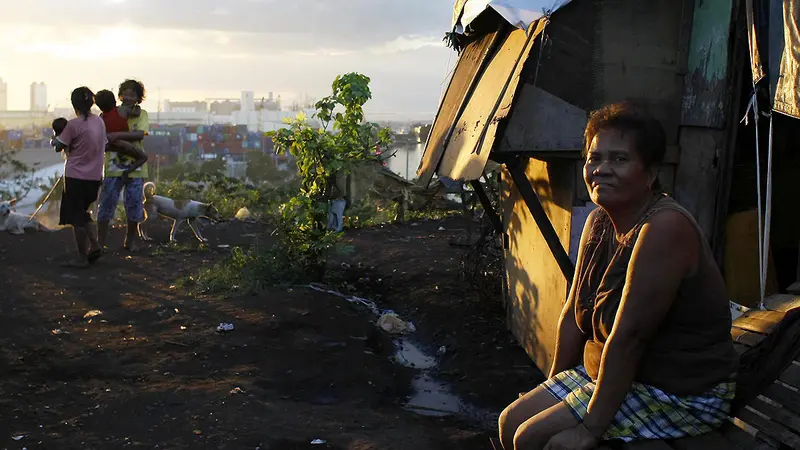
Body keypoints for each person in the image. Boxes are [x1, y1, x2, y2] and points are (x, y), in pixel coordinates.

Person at [498, 102, 738, 450]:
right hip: (616, 373)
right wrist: (554, 384)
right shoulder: (599, 222)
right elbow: (572, 316)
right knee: (511, 423)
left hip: (678, 389)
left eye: (620, 160)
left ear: (651, 172)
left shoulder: (664, 227)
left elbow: (630, 337)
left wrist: (588, 431)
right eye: (595, 158)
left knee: (536, 439)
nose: (601, 169)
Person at [52, 87, 106, 268]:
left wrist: (55, 138)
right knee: (83, 213)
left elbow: (58, 146)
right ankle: (95, 245)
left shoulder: (72, 125)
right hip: (95, 177)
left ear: (74, 104)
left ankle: (82, 258)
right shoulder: (99, 122)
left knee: (77, 219)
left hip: (76, 178)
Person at [96, 79, 150, 252]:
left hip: (136, 169)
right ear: (119, 96)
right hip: (112, 167)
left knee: (134, 205)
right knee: (106, 204)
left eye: (132, 94)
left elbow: (141, 134)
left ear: (138, 98)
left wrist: (116, 135)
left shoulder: (142, 114)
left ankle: (130, 241)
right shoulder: (107, 114)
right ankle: (100, 242)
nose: (128, 97)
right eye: (125, 93)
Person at [95, 89, 147, 177]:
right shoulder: (123, 110)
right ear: (115, 101)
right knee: (143, 157)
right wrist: (138, 107)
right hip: (124, 143)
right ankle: (129, 170)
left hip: (112, 144)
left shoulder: (101, 117)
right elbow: (136, 113)